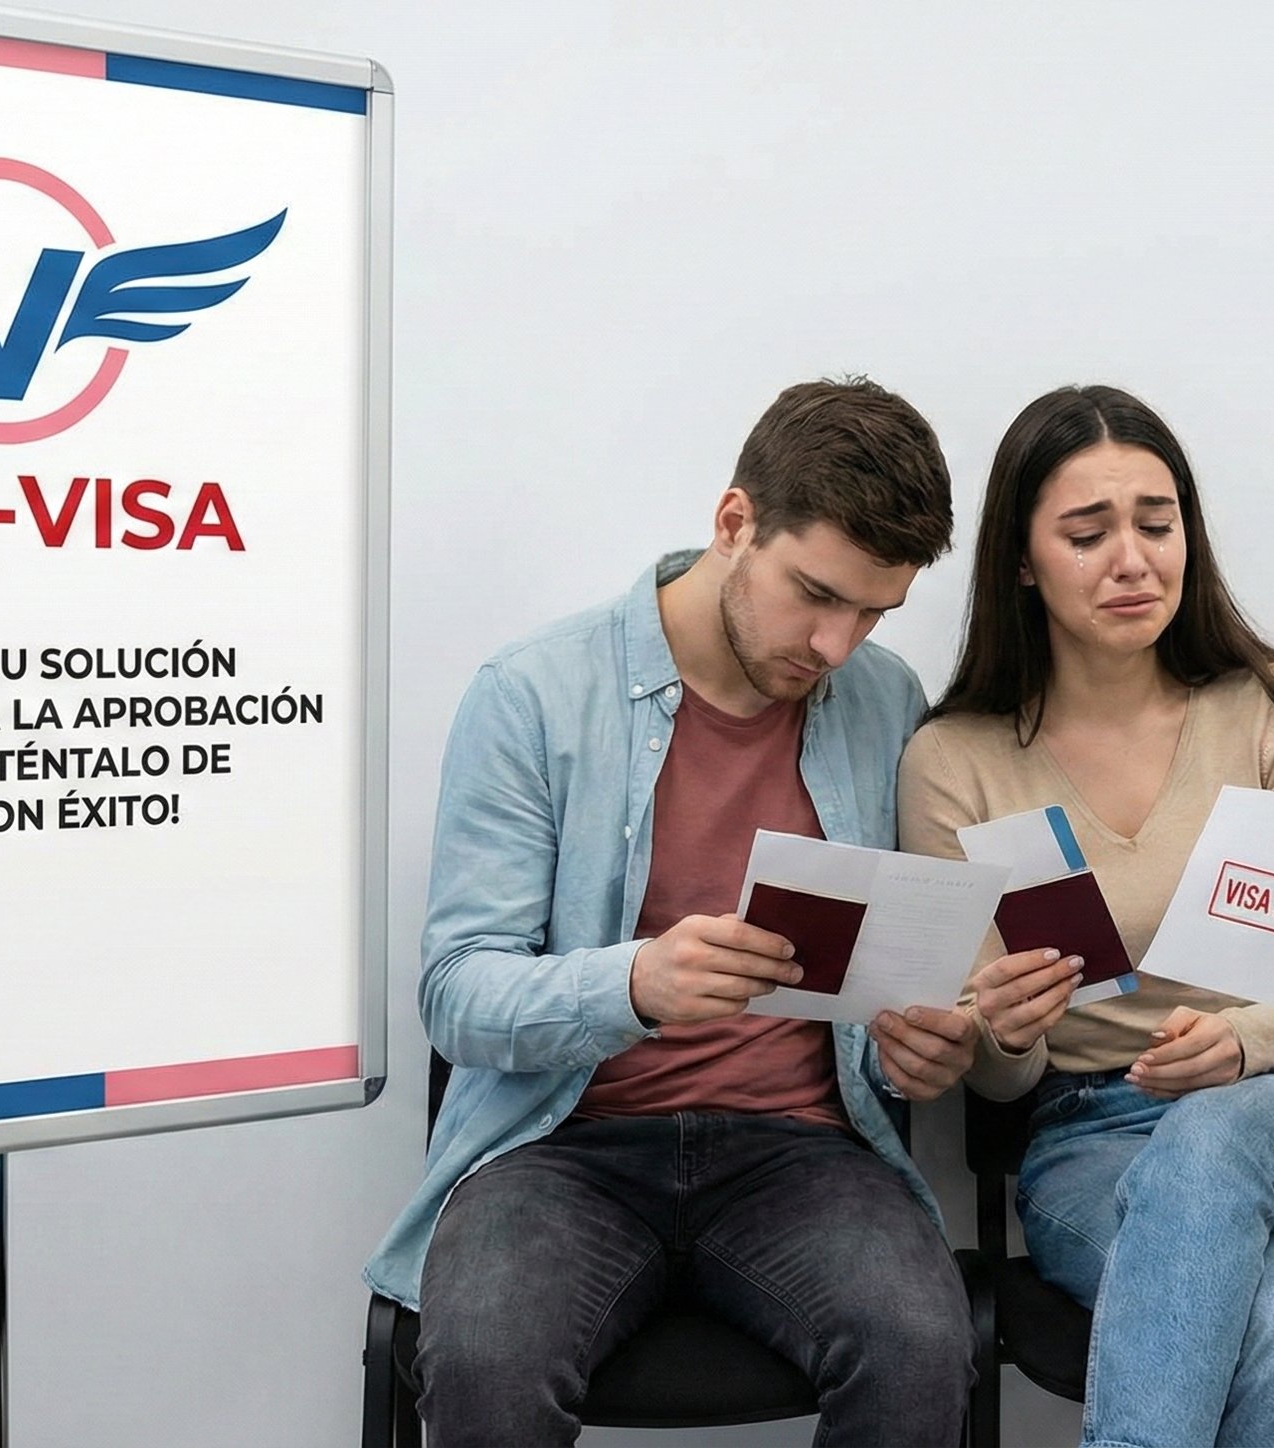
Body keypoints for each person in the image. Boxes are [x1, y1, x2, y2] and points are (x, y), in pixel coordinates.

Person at [363, 378, 983, 1448]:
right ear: (734, 522)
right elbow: (456, 994)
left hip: (800, 1149)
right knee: (483, 1364)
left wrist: (919, 1043)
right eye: (816, 595)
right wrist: (634, 984)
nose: (836, 645)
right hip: (559, 1149)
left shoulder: (885, 701)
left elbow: (892, 968)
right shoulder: (533, 694)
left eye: (874, 612)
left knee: (922, 1347)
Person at [900, 385, 1274, 1448]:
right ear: (1021, 561)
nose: (1132, 560)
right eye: (1087, 533)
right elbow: (992, 1074)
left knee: (1217, 1135)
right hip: (1092, 1133)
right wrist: (1006, 1030)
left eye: (1157, 522)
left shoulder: (1268, 706)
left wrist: (1242, 1043)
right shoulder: (955, 760)